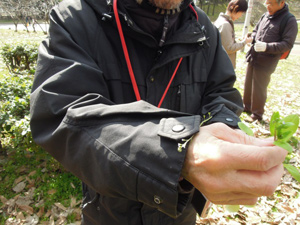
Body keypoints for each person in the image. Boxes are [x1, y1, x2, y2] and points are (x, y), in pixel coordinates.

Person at [30, 0, 287, 224]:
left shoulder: (204, 27)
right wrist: (179, 154)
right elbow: (62, 113)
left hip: (180, 211)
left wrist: (220, 139)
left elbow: (221, 93)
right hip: (109, 209)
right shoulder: (76, 18)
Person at [243, 0, 298, 122]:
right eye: (266, 3)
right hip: (254, 55)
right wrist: (252, 37)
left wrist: (267, 47)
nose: (268, 6)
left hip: (267, 60)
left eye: (271, 4)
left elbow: (287, 44)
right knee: (248, 82)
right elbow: (257, 30)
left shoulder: (289, 20)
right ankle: (246, 107)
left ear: (281, 3)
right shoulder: (265, 15)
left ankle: (257, 114)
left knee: (259, 86)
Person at [214, 0, 252, 69]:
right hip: (224, 67)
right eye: (241, 13)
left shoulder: (221, 20)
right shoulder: (225, 24)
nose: (240, 16)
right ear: (235, 8)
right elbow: (229, 48)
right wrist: (245, 42)